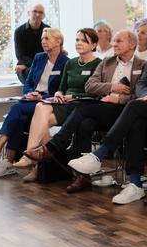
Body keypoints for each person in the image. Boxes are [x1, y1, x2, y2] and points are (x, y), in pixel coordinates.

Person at [67, 17, 147, 205]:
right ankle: (135, 185)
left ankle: (99, 154)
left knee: (133, 106)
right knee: (136, 123)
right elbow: (141, 85)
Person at [24, 30, 147, 193]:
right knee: (84, 124)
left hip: (127, 110)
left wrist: (119, 99)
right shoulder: (107, 62)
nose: (113, 44)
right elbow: (90, 86)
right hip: (105, 108)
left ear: (132, 44)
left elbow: (141, 93)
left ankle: (52, 147)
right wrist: (112, 87)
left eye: (118, 41)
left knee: (82, 109)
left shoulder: (143, 65)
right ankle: (82, 177)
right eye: (114, 41)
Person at [12, 28, 101, 181]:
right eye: (77, 40)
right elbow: (61, 88)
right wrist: (59, 94)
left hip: (80, 105)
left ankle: (32, 158)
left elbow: (96, 93)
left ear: (93, 45)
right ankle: (39, 164)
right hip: (63, 102)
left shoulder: (98, 64)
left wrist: (72, 95)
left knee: (40, 110)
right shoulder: (71, 62)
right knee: (41, 117)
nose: (79, 43)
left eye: (84, 41)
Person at [0, 28, 68, 176]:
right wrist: (29, 93)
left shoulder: (66, 63)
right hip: (32, 99)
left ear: (58, 42)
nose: (43, 41)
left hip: (48, 102)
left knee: (16, 109)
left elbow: (62, 89)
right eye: (42, 39)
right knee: (20, 116)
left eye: (47, 38)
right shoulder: (39, 57)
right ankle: (9, 161)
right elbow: (28, 82)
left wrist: (41, 97)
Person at [14, 3, 50, 84]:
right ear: (28, 13)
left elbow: (50, 51)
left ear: (44, 16)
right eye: (34, 11)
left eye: (41, 12)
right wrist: (32, 65)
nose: (37, 14)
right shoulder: (19, 31)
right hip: (27, 66)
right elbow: (20, 55)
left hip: (44, 64)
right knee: (32, 73)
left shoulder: (48, 30)